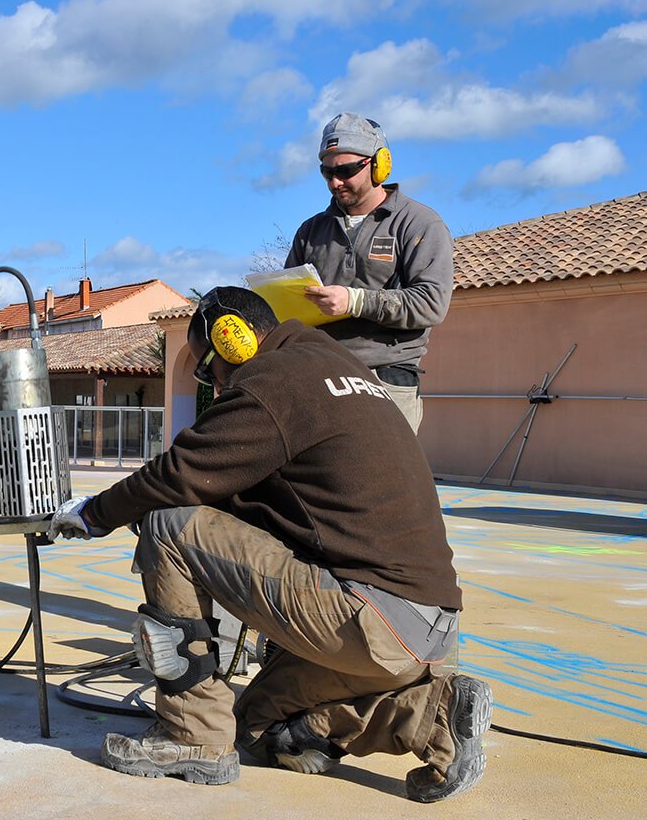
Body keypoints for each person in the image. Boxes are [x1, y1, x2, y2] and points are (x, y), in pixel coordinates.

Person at [48, 287, 491, 803]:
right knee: (258, 726)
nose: (215, 385)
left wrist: (95, 513)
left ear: (232, 342)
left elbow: (181, 474)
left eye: (210, 370)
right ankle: (433, 719)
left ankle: (191, 738)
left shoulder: (271, 382)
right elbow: (263, 508)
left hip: (371, 619)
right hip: (425, 629)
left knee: (170, 526)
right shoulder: (332, 364)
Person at [286, 112, 454, 431]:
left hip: (386, 381)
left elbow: (432, 303)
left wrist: (355, 301)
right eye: (327, 172)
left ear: (379, 164)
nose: (335, 182)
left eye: (346, 171)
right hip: (318, 378)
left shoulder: (419, 224)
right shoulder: (310, 232)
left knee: (383, 480)